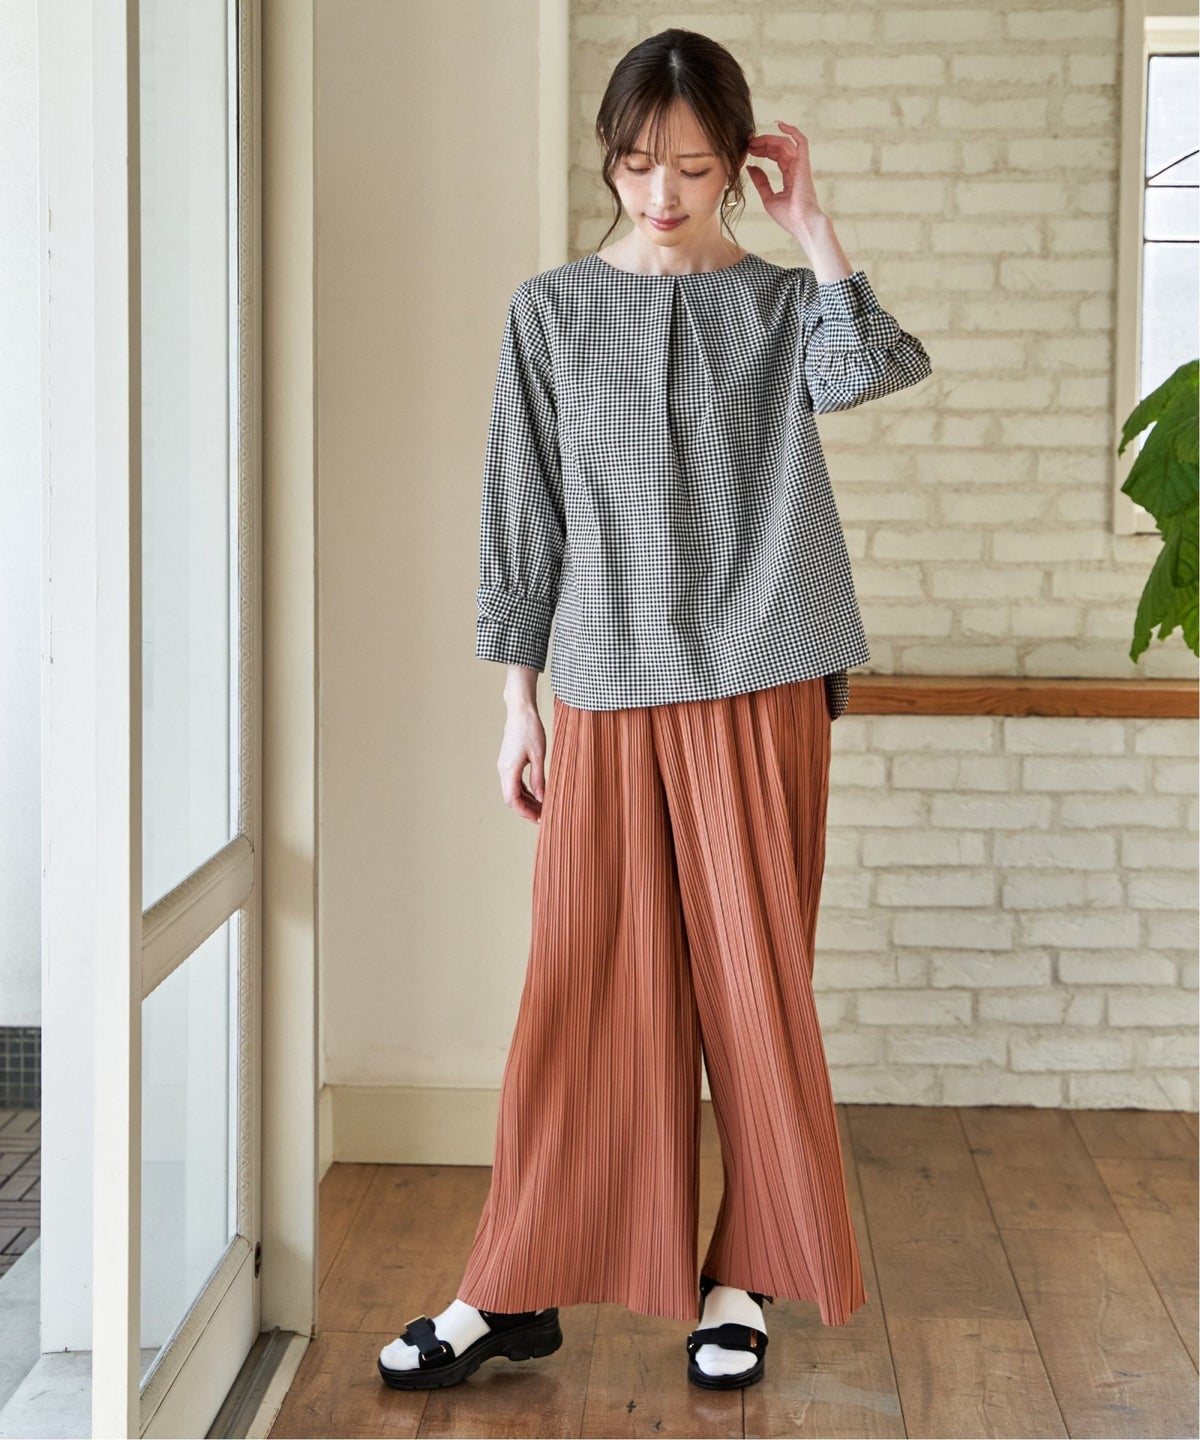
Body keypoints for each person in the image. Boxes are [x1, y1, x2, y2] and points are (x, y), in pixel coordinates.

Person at [379, 27, 932, 1394]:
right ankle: (513, 1285)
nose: (664, 192)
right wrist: (518, 703)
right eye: (637, 164)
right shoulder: (552, 311)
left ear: (734, 162)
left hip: (764, 671)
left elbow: (871, 370)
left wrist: (814, 227)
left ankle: (742, 1279)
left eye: (692, 166)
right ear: (609, 160)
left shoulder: (780, 304)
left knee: (754, 986)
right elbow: (524, 507)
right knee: (582, 990)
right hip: (606, 676)